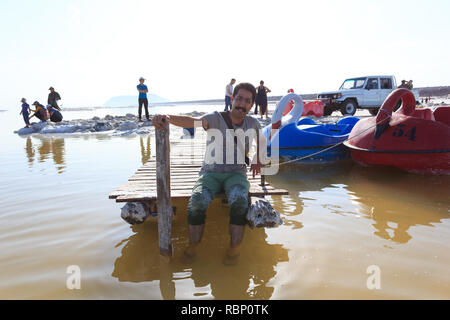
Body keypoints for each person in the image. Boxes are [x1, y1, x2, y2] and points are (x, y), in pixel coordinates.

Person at [152, 82, 266, 265]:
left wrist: (258, 159)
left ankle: (234, 247)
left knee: (238, 200)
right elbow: (192, 121)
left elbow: (262, 139)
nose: (241, 104)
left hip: (236, 173)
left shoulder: (253, 123)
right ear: (232, 99)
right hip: (210, 173)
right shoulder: (215, 118)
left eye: (247, 101)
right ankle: (194, 245)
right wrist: (167, 117)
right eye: (239, 98)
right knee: (197, 201)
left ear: (251, 105)